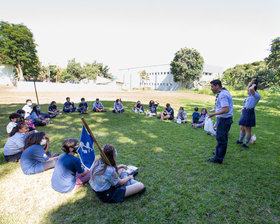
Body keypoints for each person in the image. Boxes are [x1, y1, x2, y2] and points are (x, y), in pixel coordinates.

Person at [207, 79, 233, 164]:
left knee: (221, 139)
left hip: (224, 120)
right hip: (225, 119)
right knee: (221, 137)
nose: (211, 89)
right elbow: (223, 106)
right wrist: (216, 109)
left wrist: (213, 114)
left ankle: (218, 158)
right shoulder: (224, 92)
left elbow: (225, 109)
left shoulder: (222, 95)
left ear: (217, 86)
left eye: (212, 86)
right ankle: (219, 152)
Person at [236, 78, 261, 148]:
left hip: (249, 112)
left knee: (247, 128)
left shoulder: (256, 95)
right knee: (242, 127)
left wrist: (253, 84)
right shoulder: (250, 95)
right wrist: (251, 82)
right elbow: (248, 88)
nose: (248, 89)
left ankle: (246, 144)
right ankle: (240, 140)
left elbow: (251, 89)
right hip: (245, 111)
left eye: (251, 87)